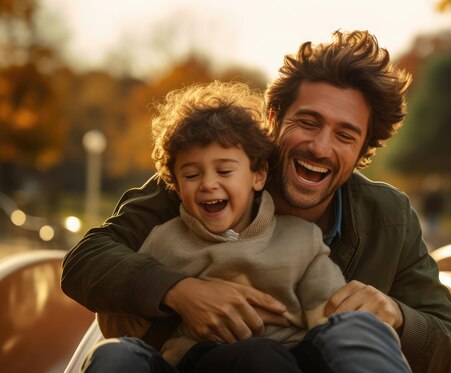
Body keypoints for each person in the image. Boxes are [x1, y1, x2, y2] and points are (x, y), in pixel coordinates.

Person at [62, 30, 451, 372]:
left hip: (315, 360)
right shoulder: (208, 181)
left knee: (360, 330)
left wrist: (399, 317)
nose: (320, 146)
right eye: (308, 122)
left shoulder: (389, 217)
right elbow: (86, 261)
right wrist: (180, 290)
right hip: (193, 361)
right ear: (275, 118)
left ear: (364, 149)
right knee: (115, 357)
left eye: (345, 135)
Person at [93, 81, 409, 372]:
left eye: (224, 171)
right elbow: (120, 318)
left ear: (259, 175)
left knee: (353, 328)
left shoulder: (299, 240)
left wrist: (366, 324)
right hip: (192, 362)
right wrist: (175, 295)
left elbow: (326, 310)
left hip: (284, 359)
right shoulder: (166, 240)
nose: (208, 184)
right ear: (175, 185)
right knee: (114, 354)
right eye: (191, 175)